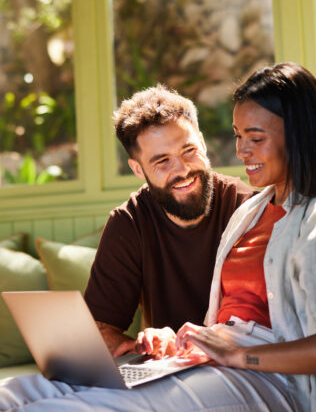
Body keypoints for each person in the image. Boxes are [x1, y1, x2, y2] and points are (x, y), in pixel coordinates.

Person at [0, 63, 316, 412]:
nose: (241, 152)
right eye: (238, 137)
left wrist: (238, 354)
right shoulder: (253, 212)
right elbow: (223, 320)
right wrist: (188, 342)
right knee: (13, 395)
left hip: (270, 379)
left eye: (255, 138)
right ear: (138, 168)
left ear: (300, 135)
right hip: (212, 361)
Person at [84, 84, 254, 356]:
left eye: (189, 151)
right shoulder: (129, 223)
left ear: (202, 142)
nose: (183, 170)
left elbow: (263, 327)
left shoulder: (248, 209)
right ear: (138, 169)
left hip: (234, 367)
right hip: (164, 371)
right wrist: (138, 344)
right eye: (162, 161)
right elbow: (98, 330)